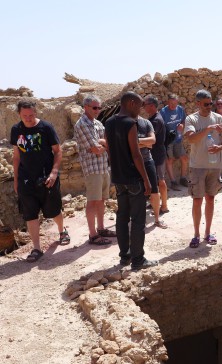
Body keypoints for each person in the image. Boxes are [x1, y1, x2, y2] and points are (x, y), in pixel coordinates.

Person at [11, 100, 70, 262]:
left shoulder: (46, 128)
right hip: (26, 179)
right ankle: (36, 248)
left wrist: (54, 172)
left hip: (46, 177)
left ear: (35, 113)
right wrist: (16, 180)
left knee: (53, 210)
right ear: (19, 115)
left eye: (31, 115)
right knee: (30, 213)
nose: (28, 119)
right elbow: (16, 157)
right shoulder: (16, 130)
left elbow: (58, 151)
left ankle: (61, 230)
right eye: (25, 116)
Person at [104, 91, 155, 271]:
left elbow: (109, 151)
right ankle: (138, 260)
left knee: (122, 217)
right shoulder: (130, 124)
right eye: (140, 105)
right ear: (131, 103)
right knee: (138, 219)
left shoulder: (109, 123)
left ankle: (124, 257)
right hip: (133, 178)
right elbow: (136, 154)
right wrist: (146, 181)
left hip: (118, 178)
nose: (140, 110)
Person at [184, 89, 222, 248]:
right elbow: (190, 139)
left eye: (211, 103)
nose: (209, 106)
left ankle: (207, 232)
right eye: (206, 104)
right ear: (197, 103)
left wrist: (220, 148)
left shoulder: (219, 118)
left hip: (214, 166)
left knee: (210, 199)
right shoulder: (191, 119)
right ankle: (196, 234)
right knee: (197, 200)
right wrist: (209, 129)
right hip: (197, 166)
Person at [74, 95, 115, 245]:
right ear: (85, 107)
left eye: (99, 107)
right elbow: (96, 148)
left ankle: (101, 228)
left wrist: (102, 145)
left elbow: (102, 144)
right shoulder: (82, 124)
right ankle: (93, 235)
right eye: (95, 107)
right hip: (92, 168)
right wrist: (104, 146)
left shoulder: (98, 124)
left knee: (102, 200)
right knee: (92, 201)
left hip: (103, 166)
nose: (98, 110)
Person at [136, 114, 167, 229]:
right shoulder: (126, 123)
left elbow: (152, 140)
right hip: (133, 162)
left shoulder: (146, 123)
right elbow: (126, 144)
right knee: (137, 192)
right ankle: (139, 220)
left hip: (147, 160)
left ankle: (157, 219)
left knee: (154, 190)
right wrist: (145, 142)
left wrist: (135, 141)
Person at [144, 94, 169, 215]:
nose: (143, 107)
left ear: (152, 106)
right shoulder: (153, 118)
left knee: (160, 180)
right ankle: (155, 202)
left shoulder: (156, 120)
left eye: (145, 104)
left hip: (157, 154)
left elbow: (150, 139)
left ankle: (164, 206)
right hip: (155, 152)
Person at [160, 93, 189, 190]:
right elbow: (161, 126)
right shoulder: (163, 112)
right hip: (168, 140)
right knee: (169, 160)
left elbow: (184, 120)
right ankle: (173, 181)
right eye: (171, 103)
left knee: (184, 158)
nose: (173, 106)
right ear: (168, 102)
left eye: (175, 103)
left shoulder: (180, 109)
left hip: (178, 138)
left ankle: (183, 178)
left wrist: (182, 125)